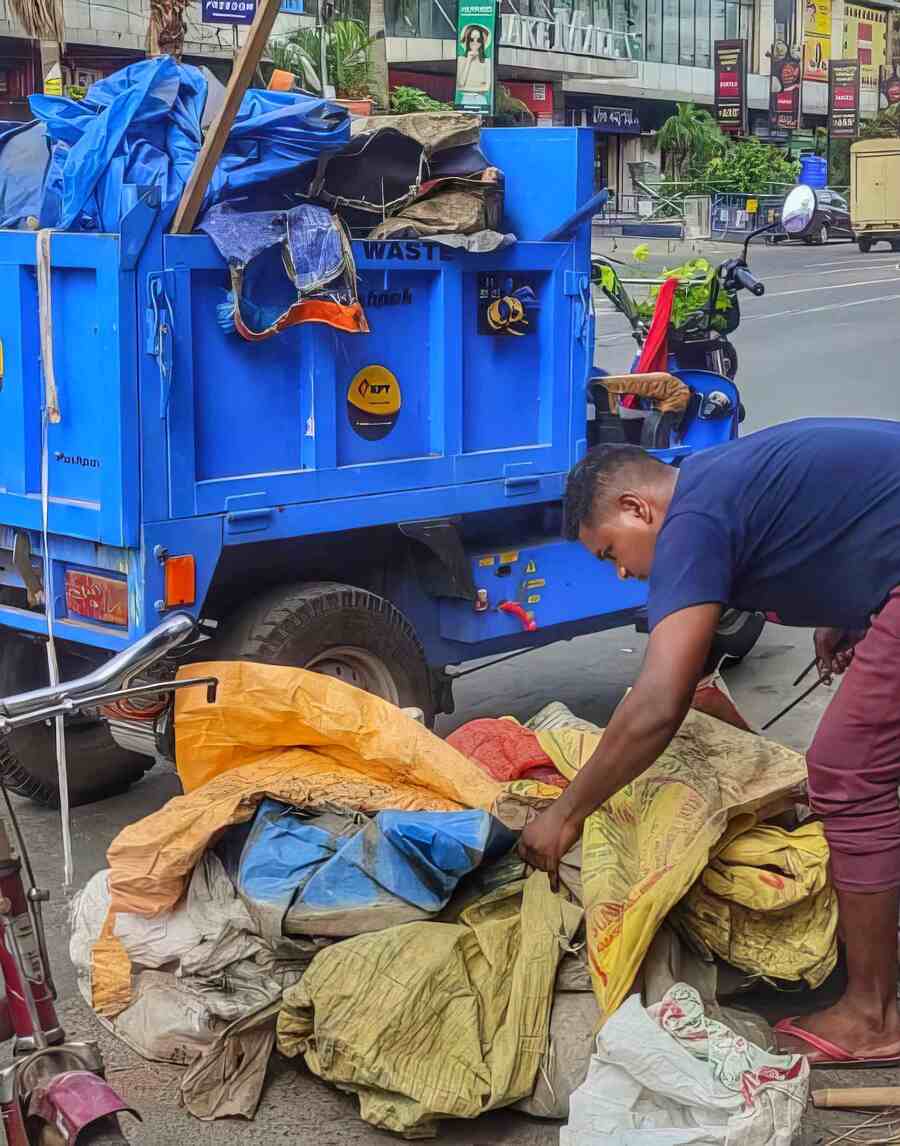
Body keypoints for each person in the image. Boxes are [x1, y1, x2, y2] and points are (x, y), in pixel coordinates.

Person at [519, 418, 900, 1066]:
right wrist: (852, 609)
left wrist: (564, 815)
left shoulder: (691, 519)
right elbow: (852, 514)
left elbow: (659, 702)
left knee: (846, 770)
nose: (623, 572)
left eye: (611, 553)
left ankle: (872, 1015)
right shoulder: (716, 484)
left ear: (636, 508)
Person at [456, 25, 491, 93]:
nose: (475, 43)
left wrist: (466, 88)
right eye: (471, 39)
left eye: (479, 40)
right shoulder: (461, 59)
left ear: (483, 42)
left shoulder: (487, 61)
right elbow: (460, 84)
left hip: (481, 97)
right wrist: (468, 61)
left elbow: (487, 87)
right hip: (464, 96)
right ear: (467, 41)